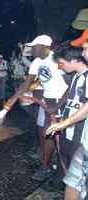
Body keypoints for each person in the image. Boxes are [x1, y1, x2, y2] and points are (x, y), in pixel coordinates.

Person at [4, 35, 68, 181]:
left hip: (59, 102)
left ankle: (53, 168)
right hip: (46, 101)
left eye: (34, 47)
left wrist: (58, 105)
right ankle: (47, 163)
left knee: (54, 135)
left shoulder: (57, 59)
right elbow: (27, 83)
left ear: (44, 47)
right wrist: (12, 100)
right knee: (45, 133)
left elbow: (71, 84)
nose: (32, 49)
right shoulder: (37, 62)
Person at [46, 29, 88, 200]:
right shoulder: (77, 76)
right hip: (69, 132)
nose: (59, 66)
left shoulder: (85, 77)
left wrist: (62, 124)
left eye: (62, 63)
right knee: (69, 168)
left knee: (76, 174)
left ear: (73, 60)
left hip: (79, 134)